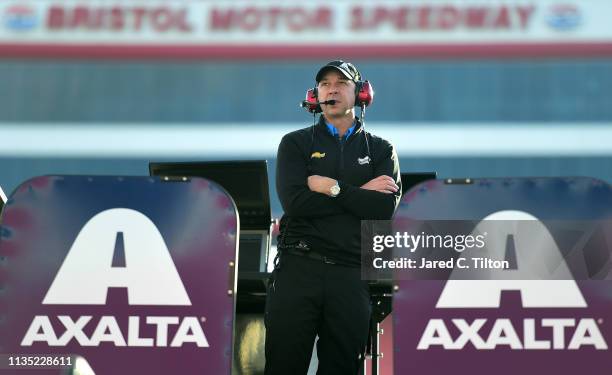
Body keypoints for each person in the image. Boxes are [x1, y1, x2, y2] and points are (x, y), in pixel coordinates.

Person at [264, 60, 402, 375]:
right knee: (283, 365)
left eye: (341, 83)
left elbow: (384, 210)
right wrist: (361, 193)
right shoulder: (294, 143)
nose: (332, 89)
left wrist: (333, 188)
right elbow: (296, 203)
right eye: (325, 84)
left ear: (361, 94)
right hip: (298, 268)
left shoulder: (382, 149)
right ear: (315, 94)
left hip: (351, 274)